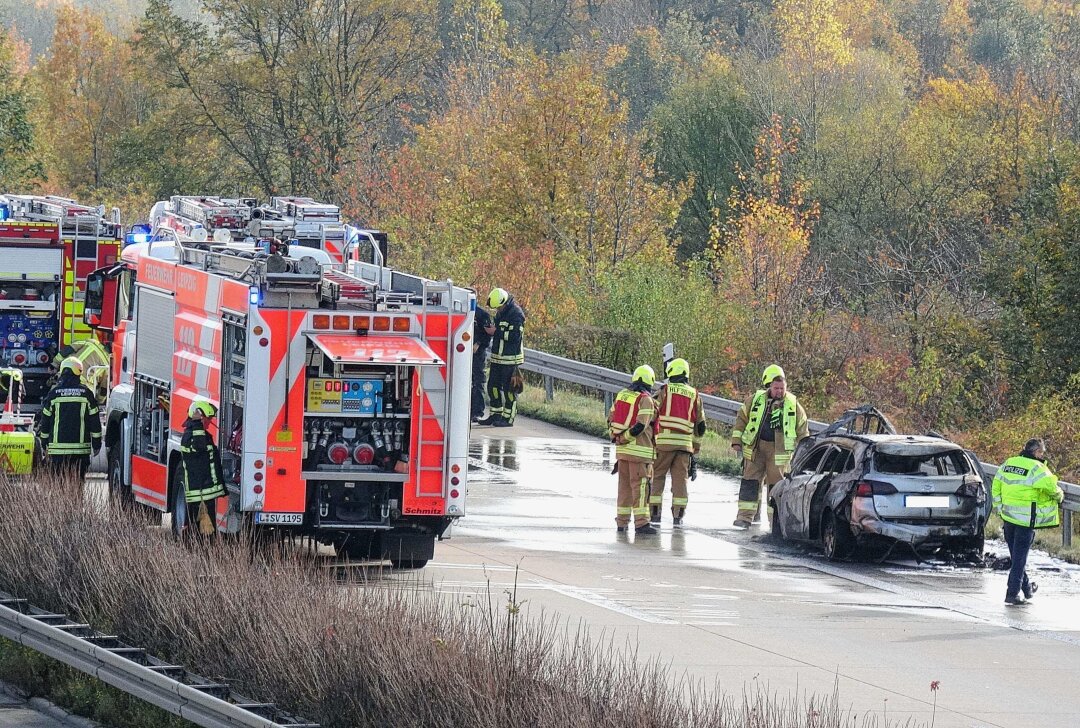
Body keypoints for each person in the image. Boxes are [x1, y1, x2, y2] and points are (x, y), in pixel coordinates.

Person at [731, 364, 808, 529]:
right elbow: (741, 419)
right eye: (776, 388)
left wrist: (804, 452)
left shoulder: (793, 405)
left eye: (782, 388)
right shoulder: (756, 399)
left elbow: (803, 429)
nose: (779, 391)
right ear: (769, 387)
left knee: (776, 488)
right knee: (750, 482)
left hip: (779, 453)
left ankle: (776, 524)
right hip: (756, 449)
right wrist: (736, 441)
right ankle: (744, 518)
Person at [992, 438, 1063, 605]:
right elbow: (1052, 488)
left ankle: (1027, 589)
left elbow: (996, 485)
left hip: (1008, 518)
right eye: (1041, 453)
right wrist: (1060, 495)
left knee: (1017, 557)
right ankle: (1012, 593)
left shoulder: (1009, 463)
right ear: (1036, 452)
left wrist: (999, 506)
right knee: (1019, 559)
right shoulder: (1037, 468)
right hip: (1025, 522)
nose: (1042, 455)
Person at [649, 358, 705, 528]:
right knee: (680, 482)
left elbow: (651, 412)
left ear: (671, 372)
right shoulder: (694, 394)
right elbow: (701, 426)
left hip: (663, 444)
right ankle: (678, 516)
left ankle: (655, 514)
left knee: (657, 478)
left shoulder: (664, 390)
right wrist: (694, 448)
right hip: (684, 447)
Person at [608, 365, 658, 535]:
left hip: (622, 453)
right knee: (641, 489)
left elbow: (611, 418)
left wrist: (618, 438)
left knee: (624, 488)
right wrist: (626, 437)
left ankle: (621, 523)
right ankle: (641, 523)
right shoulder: (646, 400)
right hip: (640, 453)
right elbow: (641, 426)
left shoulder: (622, 394)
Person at [36, 356, 101, 480]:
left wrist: (44, 443)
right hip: (80, 452)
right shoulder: (87, 394)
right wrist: (97, 444)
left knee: (60, 487)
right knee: (77, 486)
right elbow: (95, 422)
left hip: (57, 452)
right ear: (79, 372)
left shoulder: (54, 394)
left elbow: (45, 422)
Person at [178, 398, 226, 538]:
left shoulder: (201, 435)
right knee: (203, 532)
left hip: (205, 492)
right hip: (200, 492)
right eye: (207, 418)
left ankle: (200, 552)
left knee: (203, 530)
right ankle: (199, 555)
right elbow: (199, 448)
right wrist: (197, 423)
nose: (209, 422)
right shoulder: (191, 436)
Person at [477, 288, 525, 427]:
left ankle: (508, 418)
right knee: (493, 387)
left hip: (511, 359)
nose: (497, 310)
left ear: (504, 302)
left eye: (499, 307)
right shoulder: (501, 313)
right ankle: (495, 414)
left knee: (509, 390)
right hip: (498, 357)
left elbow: (515, 337)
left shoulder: (516, 314)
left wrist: (496, 332)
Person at [471, 299, 495, 423]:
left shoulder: (482, 315)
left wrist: (479, 344)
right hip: (462, 352)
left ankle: (477, 412)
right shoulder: (459, 311)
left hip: (477, 353)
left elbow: (488, 334)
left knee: (478, 381)